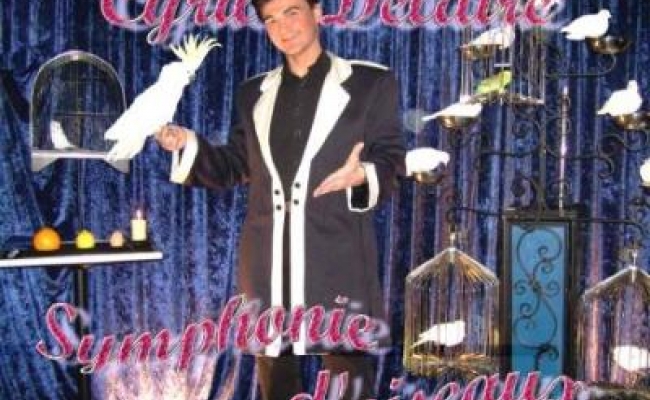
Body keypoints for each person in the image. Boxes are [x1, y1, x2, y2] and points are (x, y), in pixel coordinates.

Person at [156, 0, 405, 397]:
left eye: (292, 12)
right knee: (276, 382)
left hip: (336, 258)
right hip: (267, 264)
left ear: (317, 12)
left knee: (349, 383)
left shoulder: (369, 84)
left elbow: (391, 158)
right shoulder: (252, 93)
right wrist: (187, 143)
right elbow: (235, 165)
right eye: (271, 19)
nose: (283, 28)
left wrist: (362, 174)